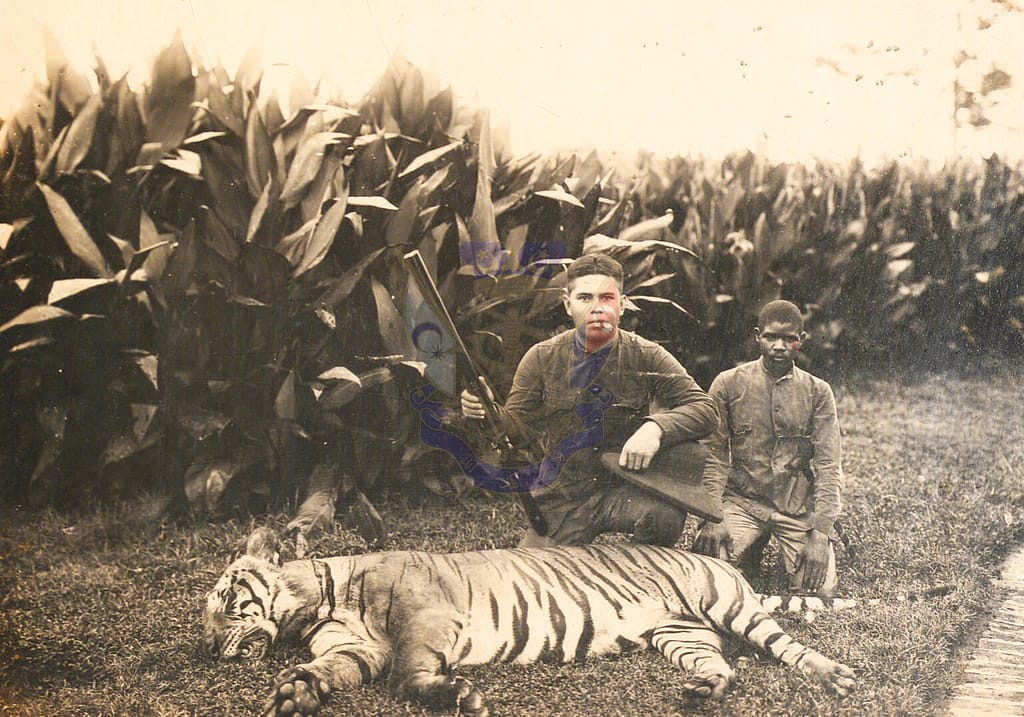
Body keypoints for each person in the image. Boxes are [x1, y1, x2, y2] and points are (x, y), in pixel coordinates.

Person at [460, 254, 718, 547]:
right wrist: (486, 411)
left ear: (622, 304)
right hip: (565, 498)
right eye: (585, 298)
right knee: (536, 568)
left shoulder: (647, 354)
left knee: (663, 517)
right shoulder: (541, 357)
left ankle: (634, 569)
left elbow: (705, 408)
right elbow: (517, 429)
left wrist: (655, 428)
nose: (597, 308)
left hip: (628, 488)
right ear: (567, 304)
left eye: (606, 298)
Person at [692, 300, 844, 597]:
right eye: (771, 337)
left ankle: (772, 546)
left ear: (802, 340)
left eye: (789, 339)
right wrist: (711, 517)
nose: (779, 346)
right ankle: (750, 546)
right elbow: (713, 455)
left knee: (819, 591)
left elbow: (829, 465)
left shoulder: (818, 392)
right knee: (708, 580)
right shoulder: (728, 384)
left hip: (795, 508)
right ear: (757, 336)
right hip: (743, 502)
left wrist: (820, 533)